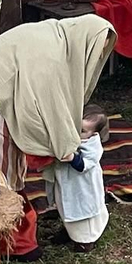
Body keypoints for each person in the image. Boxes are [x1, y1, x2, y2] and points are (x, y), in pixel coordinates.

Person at [0, 15, 117, 259]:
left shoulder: (57, 37)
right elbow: (45, 104)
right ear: (84, 40)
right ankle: (9, 241)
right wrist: (63, 144)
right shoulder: (51, 54)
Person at [44, 104, 110, 251]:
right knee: (66, 206)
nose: (77, 133)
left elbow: (84, 165)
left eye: (82, 131)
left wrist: (72, 157)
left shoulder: (93, 145)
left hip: (83, 186)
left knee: (84, 214)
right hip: (67, 183)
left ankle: (86, 241)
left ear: (93, 133)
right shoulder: (70, 137)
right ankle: (70, 232)